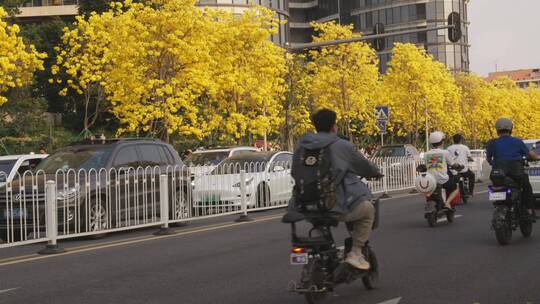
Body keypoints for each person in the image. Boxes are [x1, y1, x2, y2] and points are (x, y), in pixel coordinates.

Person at [290, 109, 382, 270]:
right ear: (334, 126)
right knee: (368, 210)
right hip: (331, 205)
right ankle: (355, 252)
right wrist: (376, 173)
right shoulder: (341, 145)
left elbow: (294, 171)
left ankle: (323, 254)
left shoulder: (301, 146)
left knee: (320, 222)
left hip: (304, 206)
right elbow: (364, 166)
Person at [486, 118, 540, 218]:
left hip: (497, 176)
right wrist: (537, 157)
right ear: (511, 128)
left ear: (497, 129)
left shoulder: (492, 143)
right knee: (527, 187)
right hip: (517, 174)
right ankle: (529, 210)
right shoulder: (517, 141)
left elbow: (488, 158)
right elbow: (529, 154)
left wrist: (493, 164)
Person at [424, 131, 459, 209]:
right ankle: (447, 203)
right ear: (441, 142)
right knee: (456, 188)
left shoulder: (426, 154)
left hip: (431, 181)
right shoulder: (445, 153)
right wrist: (457, 166)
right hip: (443, 180)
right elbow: (453, 164)